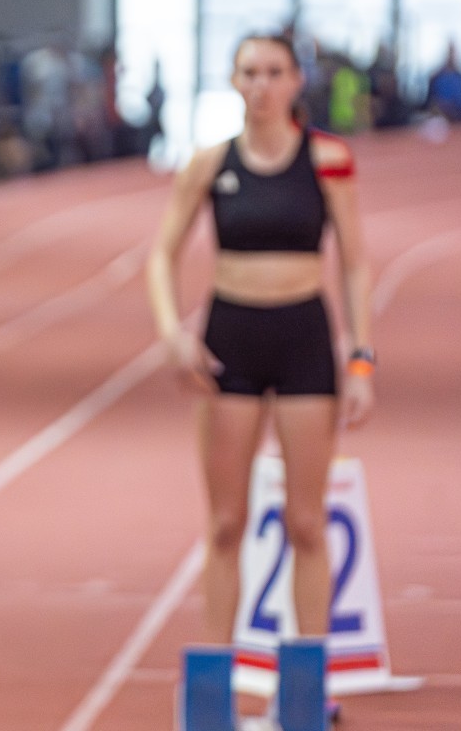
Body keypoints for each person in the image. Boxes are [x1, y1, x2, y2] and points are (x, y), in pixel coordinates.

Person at [146, 35, 376, 661]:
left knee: (306, 522)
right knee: (225, 524)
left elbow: (355, 264)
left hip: (303, 338)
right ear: (233, 80)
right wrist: (172, 334)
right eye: (249, 72)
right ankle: (217, 677)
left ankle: (309, 681)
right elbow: (161, 255)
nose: (261, 85)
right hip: (232, 341)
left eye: (275, 72)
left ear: (297, 81)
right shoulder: (208, 163)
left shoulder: (328, 160)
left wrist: (361, 358)